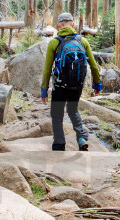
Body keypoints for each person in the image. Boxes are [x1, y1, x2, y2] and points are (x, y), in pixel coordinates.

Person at [40, 12, 101, 151]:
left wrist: (44, 90)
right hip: (77, 85)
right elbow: (93, 65)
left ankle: (59, 145)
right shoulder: (82, 41)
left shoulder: (54, 43)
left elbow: (47, 69)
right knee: (73, 110)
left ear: (58, 25)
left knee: (56, 115)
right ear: (73, 24)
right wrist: (97, 85)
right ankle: (81, 138)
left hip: (60, 86)